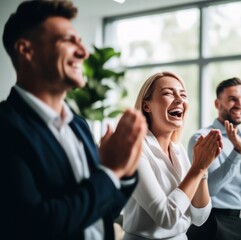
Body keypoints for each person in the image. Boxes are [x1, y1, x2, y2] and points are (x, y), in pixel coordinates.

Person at [0, 1, 147, 239]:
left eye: (80, 41)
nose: (84, 52)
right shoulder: (5, 127)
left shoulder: (78, 125)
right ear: (26, 51)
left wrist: (126, 171)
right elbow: (36, 224)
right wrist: (111, 173)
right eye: (68, 40)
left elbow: (102, 209)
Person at [122, 71, 223, 239]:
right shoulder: (134, 149)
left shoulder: (178, 150)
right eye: (168, 93)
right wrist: (197, 168)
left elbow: (199, 217)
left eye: (183, 94)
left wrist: (202, 168)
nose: (179, 99)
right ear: (147, 106)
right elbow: (166, 217)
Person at [187, 77, 241, 240]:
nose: (240, 105)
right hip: (214, 222)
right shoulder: (202, 138)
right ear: (217, 104)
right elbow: (210, 189)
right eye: (232, 99)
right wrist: (237, 153)